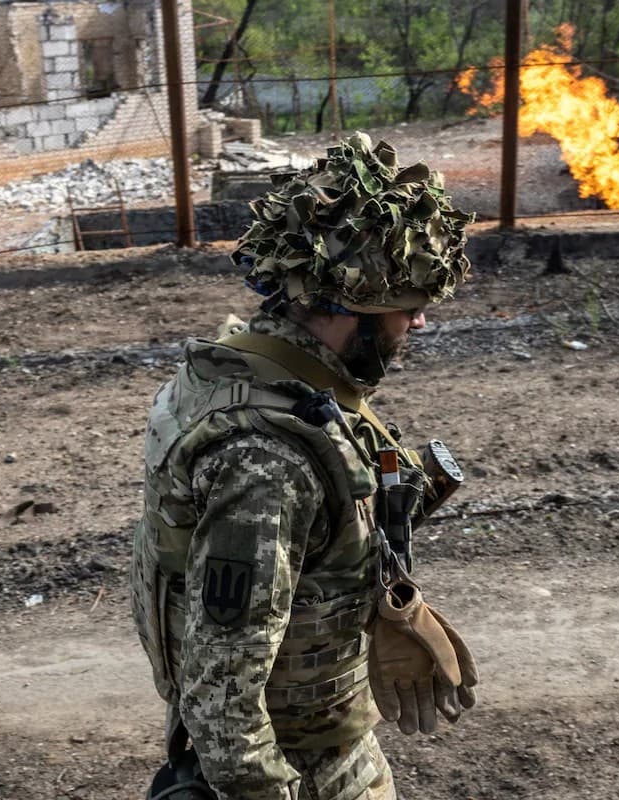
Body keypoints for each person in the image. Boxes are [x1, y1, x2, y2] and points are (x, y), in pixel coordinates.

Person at [131, 132, 477, 800]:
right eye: (408, 308)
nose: (421, 323)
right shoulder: (267, 459)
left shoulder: (266, 370)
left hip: (325, 741)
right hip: (300, 765)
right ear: (351, 307)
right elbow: (223, 690)